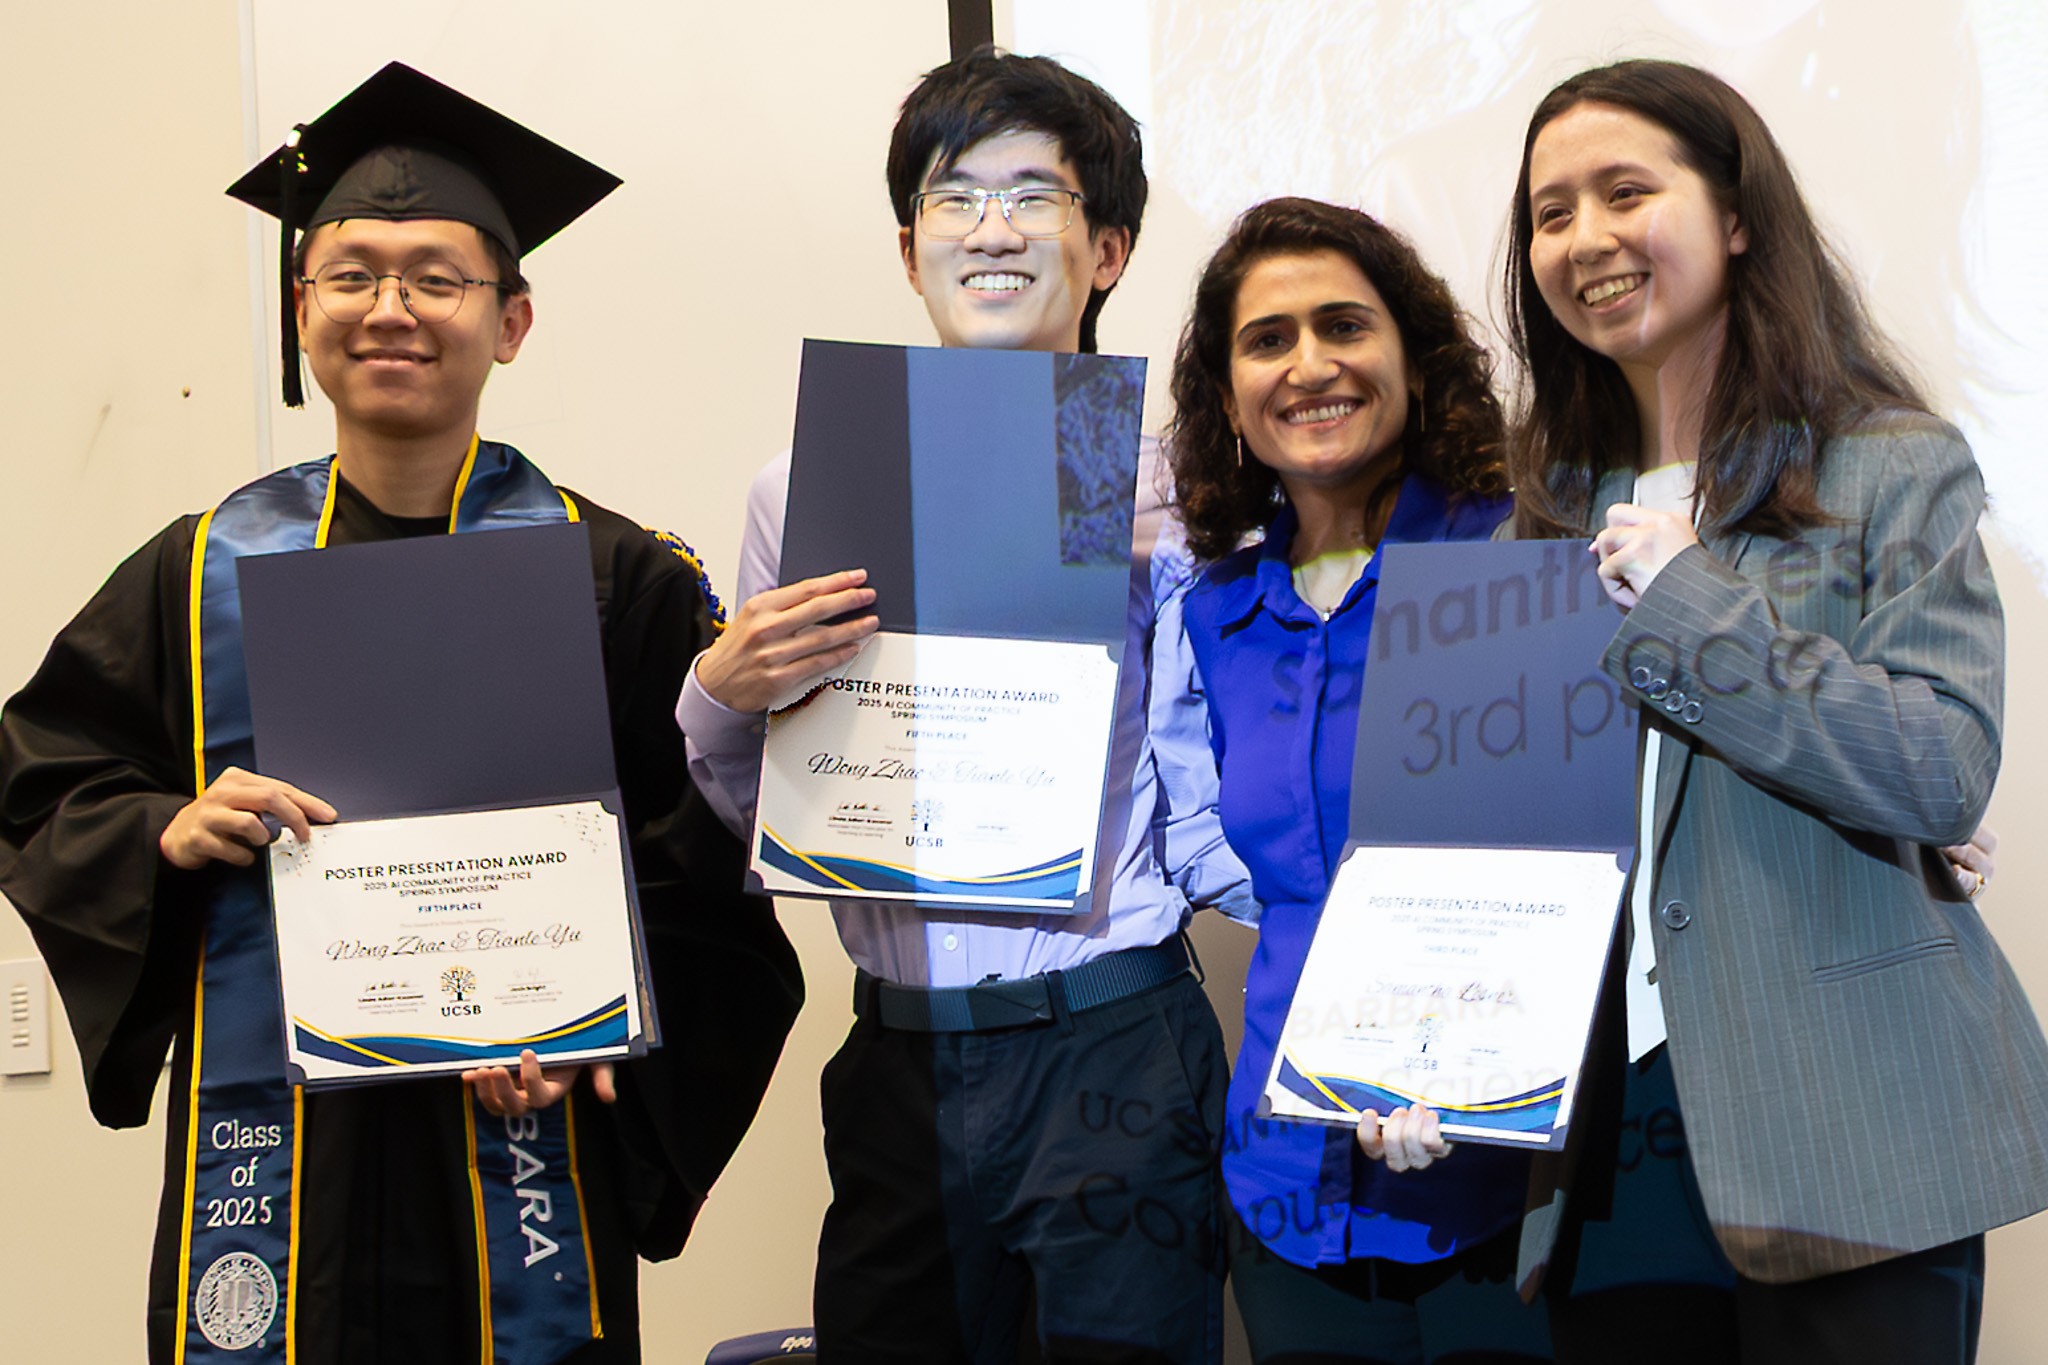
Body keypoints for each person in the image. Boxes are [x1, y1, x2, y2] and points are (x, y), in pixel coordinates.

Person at [0, 63, 800, 1365]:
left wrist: (599, 1016)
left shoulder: (617, 581)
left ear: (511, 320)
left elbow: (710, 857)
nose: (391, 310)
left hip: (526, 1139)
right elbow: (41, 781)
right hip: (284, 1156)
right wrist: (163, 831)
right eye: (352, 275)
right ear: (301, 308)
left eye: (437, 278)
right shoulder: (197, 574)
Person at [674, 47, 1253, 1365]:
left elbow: (1233, 778)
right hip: (899, 1058)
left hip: (1111, 1042)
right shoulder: (802, 486)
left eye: (1034, 197)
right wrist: (718, 694)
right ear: (907, 247)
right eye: (955, 197)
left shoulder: (1184, 494)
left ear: (1108, 249)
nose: (993, 230)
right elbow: (771, 802)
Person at [1501, 58, 2048, 1362]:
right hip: (1608, 1142)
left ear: (1737, 214)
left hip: (1849, 1130)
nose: (1584, 238)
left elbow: (1939, 767)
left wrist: (1692, 598)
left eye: (1625, 191)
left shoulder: (1889, 463)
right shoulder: (1538, 512)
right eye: (1550, 212)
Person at [1169, 197, 1548, 1364]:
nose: (1308, 365)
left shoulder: (1522, 561)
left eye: (1343, 326)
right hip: (1282, 1190)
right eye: (1266, 340)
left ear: (1413, 362)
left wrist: (1463, 1066)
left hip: (1502, 1186)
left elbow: (1593, 854)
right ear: (1226, 395)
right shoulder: (1212, 615)